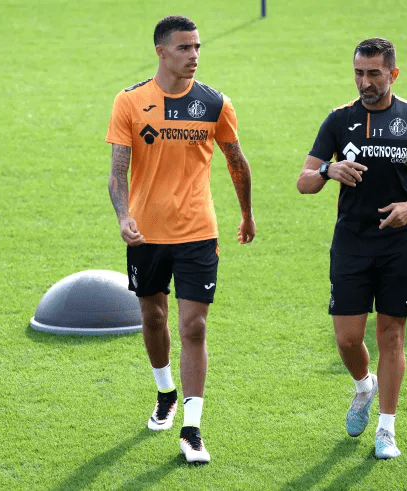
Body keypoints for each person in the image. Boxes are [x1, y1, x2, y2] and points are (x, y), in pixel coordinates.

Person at [105, 15, 255, 463]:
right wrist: (123, 217)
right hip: (147, 235)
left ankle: (192, 429)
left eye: (197, 47)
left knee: (194, 326)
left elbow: (237, 161)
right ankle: (165, 391)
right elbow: (116, 172)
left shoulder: (215, 103)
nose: (193, 55)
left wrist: (246, 214)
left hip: (197, 232)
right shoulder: (130, 102)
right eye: (184, 48)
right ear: (161, 51)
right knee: (153, 319)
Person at [297, 38, 407, 459]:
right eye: (359, 73)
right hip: (351, 242)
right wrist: (329, 169)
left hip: (403, 241)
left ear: (393, 74)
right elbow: (304, 181)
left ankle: (387, 430)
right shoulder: (339, 120)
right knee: (347, 339)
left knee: (391, 335)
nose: (365, 82)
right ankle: (365, 386)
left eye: (374, 73)